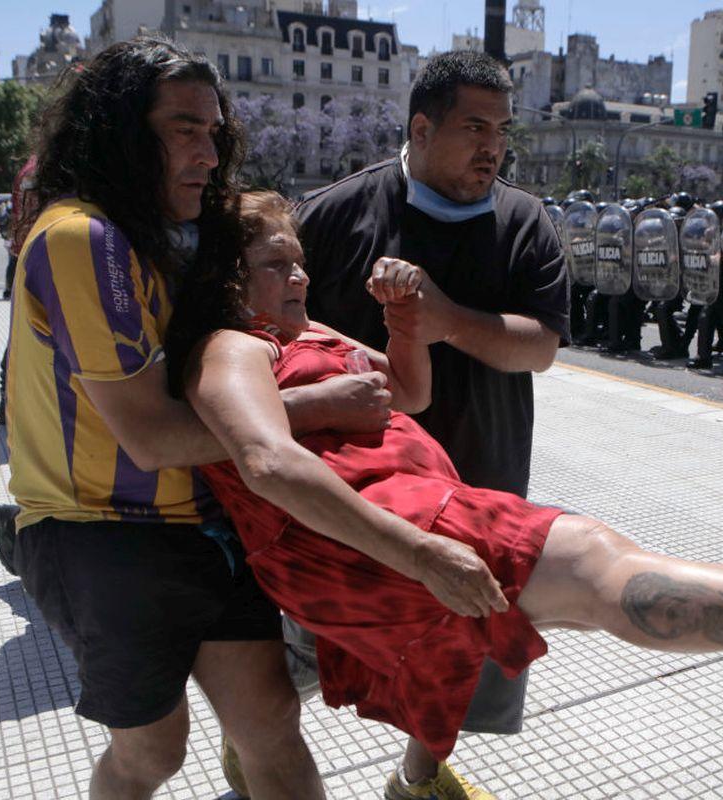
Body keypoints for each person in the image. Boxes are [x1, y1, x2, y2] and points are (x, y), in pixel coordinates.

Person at [166, 190, 723, 791]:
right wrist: (420, 553)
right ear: (228, 281)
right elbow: (268, 462)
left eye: (297, 259)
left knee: (581, 584)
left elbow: (408, 392)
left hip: (411, 517)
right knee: (588, 567)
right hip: (382, 536)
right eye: (274, 264)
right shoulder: (232, 348)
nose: (299, 275)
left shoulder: (311, 331)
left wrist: (407, 322)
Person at [3, 37, 391, 799]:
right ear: (118, 130)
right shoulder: (83, 236)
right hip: (101, 530)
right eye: (183, 128)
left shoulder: (157, 241)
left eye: (213, 130)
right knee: (154, 754)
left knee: (272, 725)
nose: (208, 153)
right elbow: (149, 438)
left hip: (204, 521)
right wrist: (315, 407)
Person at [285, 50, 569, 799]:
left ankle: (418, 777)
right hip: (356, 500)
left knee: (464, 646)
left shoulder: (524, 222)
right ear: (420, 126)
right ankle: (257, 744)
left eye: (502, 130)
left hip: (481, 484)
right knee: (307, 646)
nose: (492, 146)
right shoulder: (331, 214)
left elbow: (539, 345)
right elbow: (262, 321)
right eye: (474, 126)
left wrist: (443, 321)